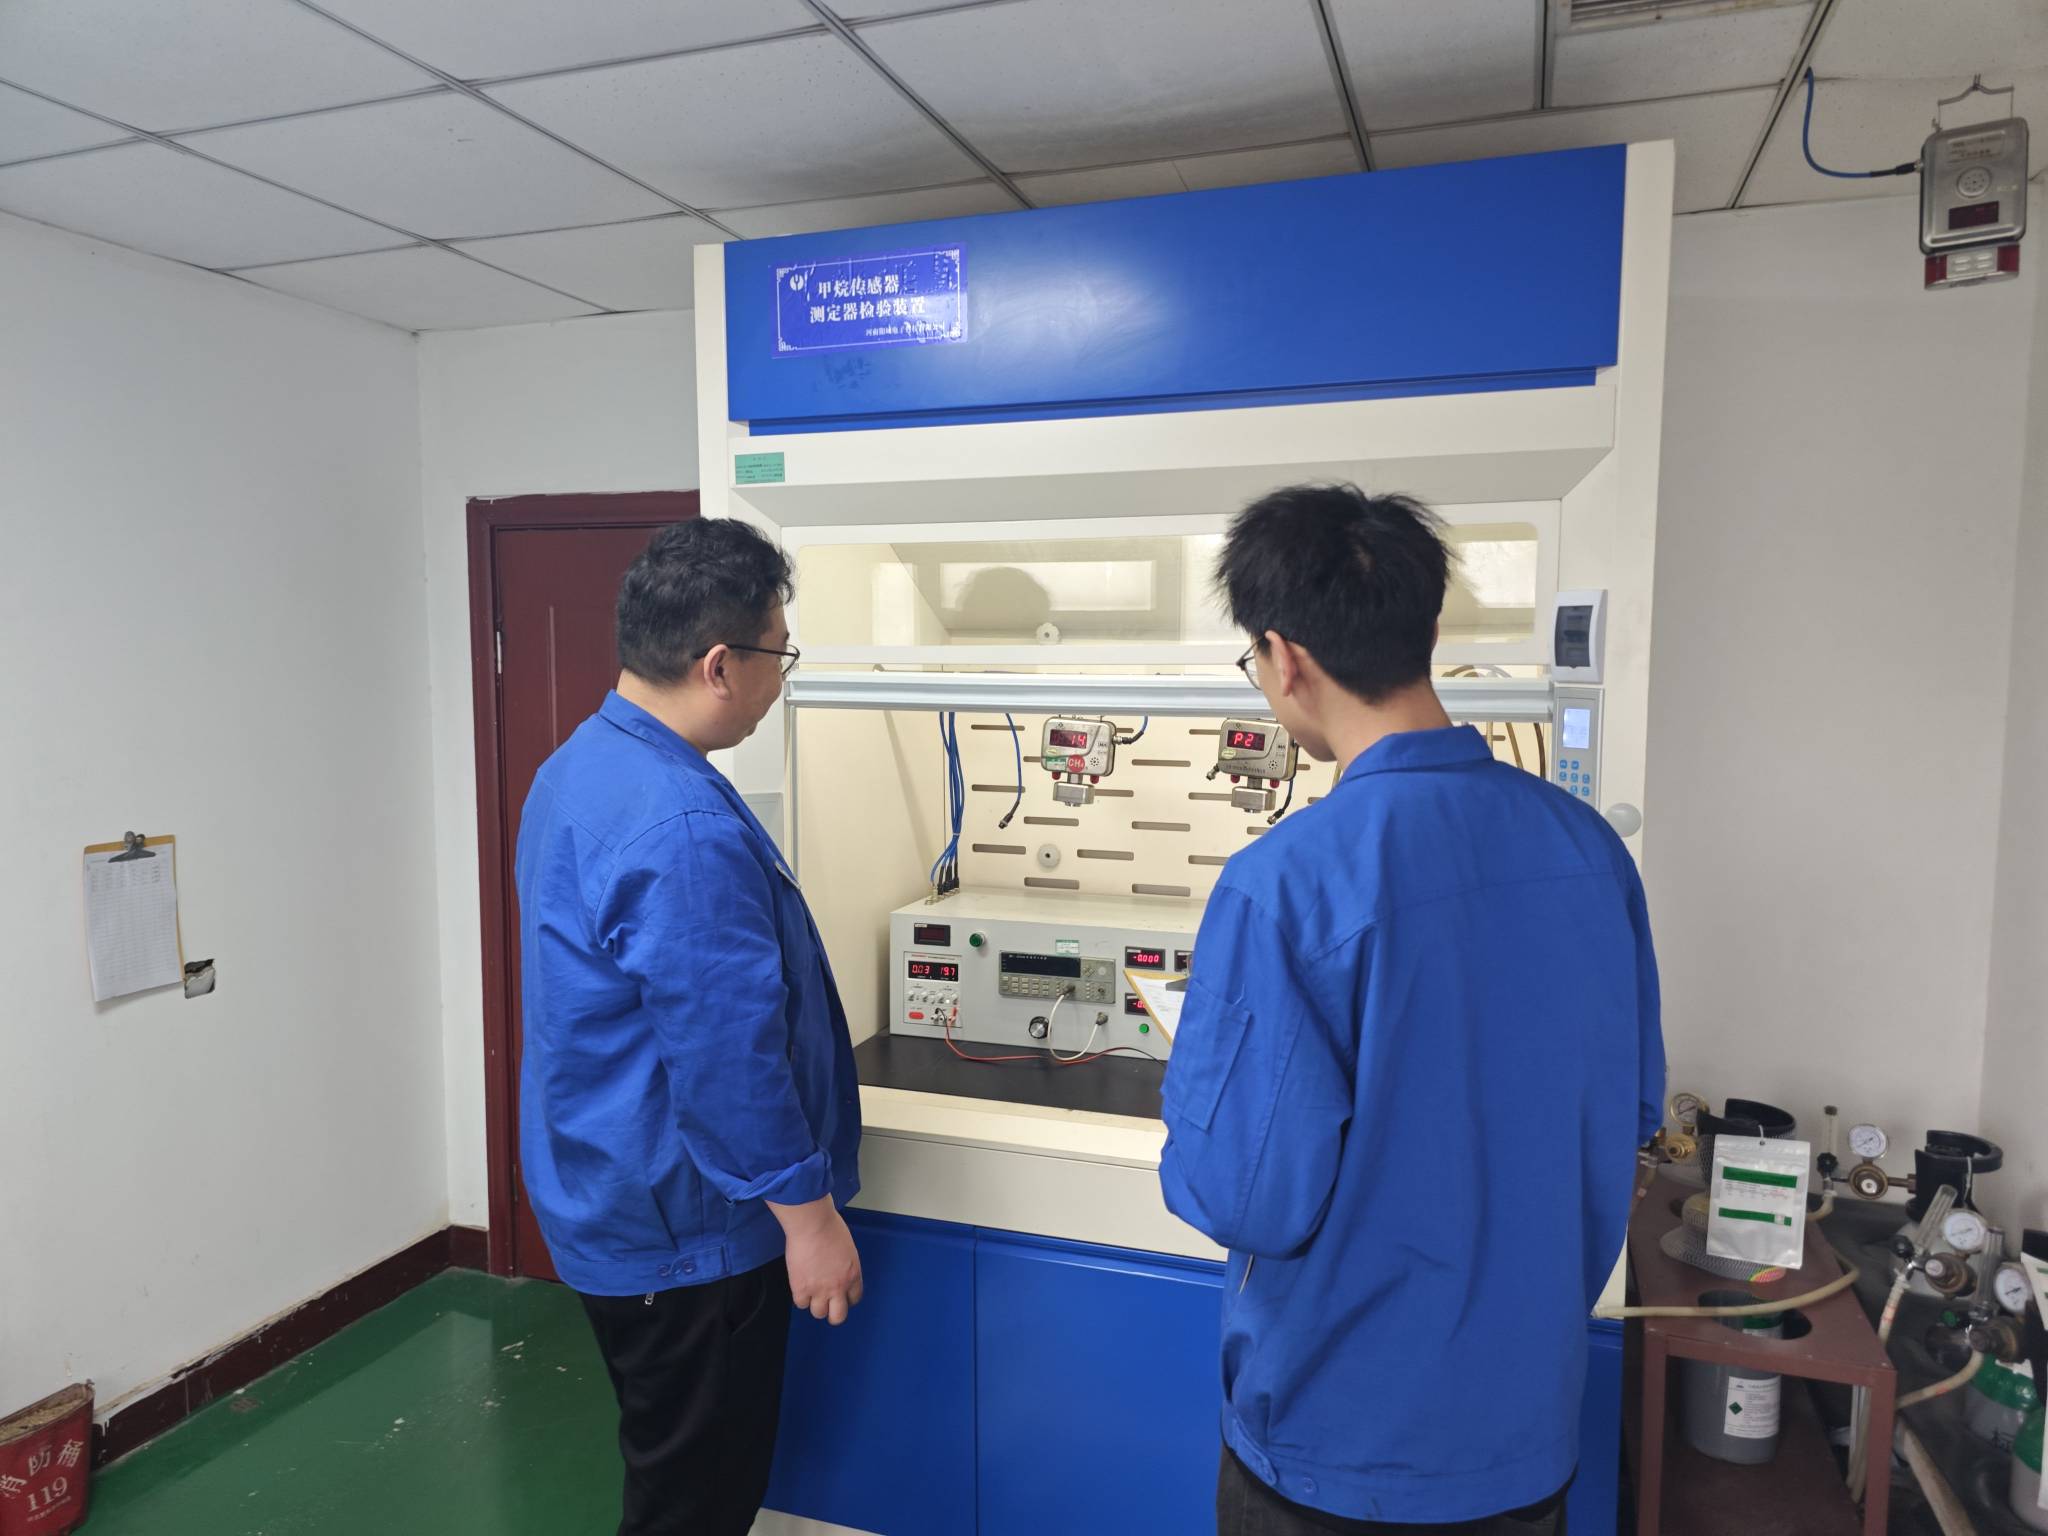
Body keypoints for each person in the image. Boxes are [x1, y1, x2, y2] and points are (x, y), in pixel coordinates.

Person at [1159, 485, 1664, 1536]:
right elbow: (1628, 1110)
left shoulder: (1283, 886)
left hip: (1335, 1455)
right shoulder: (1589, 853)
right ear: (1429, 632)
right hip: (1525, 1443)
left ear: (1282, 658)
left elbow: (1243, 1196)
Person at [514, 518, 863, 1536]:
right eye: (779, 654)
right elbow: (728, 1062)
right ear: (719, 665)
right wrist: (810, 1223)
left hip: (609, 1190)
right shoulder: (682, 826)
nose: (781, 677)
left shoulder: (581, 766)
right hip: (690, 1235)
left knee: (671, 1471)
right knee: (695, 1505)